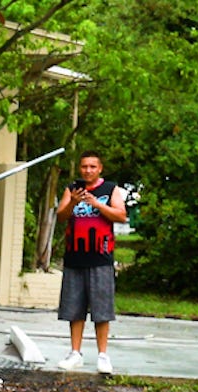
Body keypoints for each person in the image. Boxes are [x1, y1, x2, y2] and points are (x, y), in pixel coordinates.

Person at [54, 152, 127, 375]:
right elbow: (60, 216)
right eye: (84, 166)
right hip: (75, 257)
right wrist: (73, 202)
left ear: (100, 169)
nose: (88, 170)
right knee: (74, 308)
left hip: (100, 258)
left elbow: (121, 215)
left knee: (101, 309)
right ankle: (75, 353)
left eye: (92, 166)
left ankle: (103, 356)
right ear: (80, 168)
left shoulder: (110, 189)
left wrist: (96, 204)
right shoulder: (72, 188)